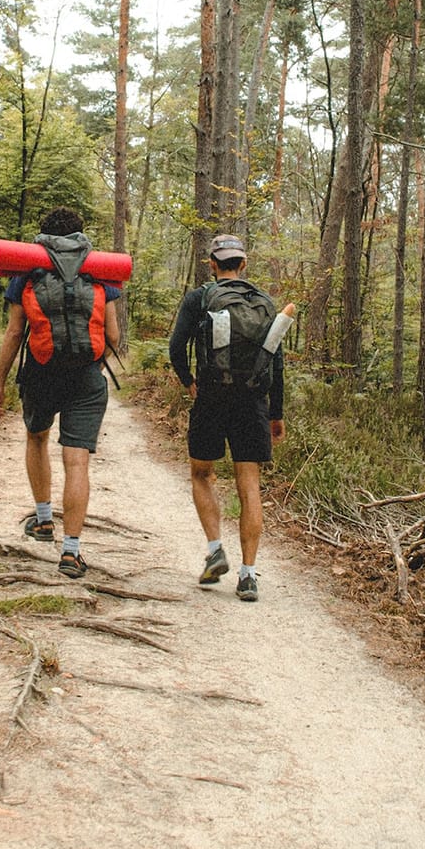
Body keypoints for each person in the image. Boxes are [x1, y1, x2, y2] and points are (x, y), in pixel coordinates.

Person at [0, 208, 124, 579]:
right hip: (86, 377)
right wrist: (96, 364)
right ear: (80, 236)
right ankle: (71, 552)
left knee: (36, 438)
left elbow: (15, 332)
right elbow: (113, 336)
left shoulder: (29, 270)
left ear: (42, 238)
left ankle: (45, 520)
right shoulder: (98, 269)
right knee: (76, 461)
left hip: (41, 373)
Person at [168, 233, 285, 602]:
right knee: (249, 486)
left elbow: (176, 348)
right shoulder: (265, 303)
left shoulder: (200, 297)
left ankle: (216, 549)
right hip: (253, 402)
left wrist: (189, 382)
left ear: (213, 264)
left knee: (202, 472)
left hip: (212, 397)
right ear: (244, 264)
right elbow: (276, 360)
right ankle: (248, 576)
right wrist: (276, 412)